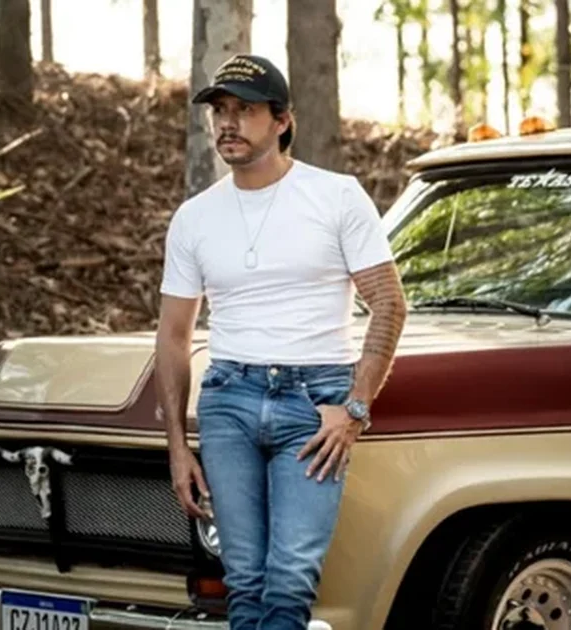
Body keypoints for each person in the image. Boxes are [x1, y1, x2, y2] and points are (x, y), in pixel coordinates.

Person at [153, 53, 408, 630]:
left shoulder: (336, 196)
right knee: (243, 582)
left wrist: (355, 409)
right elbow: (172, 336)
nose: (228, 122)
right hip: (229, 401)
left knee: (290, 579)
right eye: (220, 110)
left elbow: (389, 304)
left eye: (245, 110)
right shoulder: (194, 218)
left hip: (314, 405)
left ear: (283, 120)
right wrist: (177, 448)